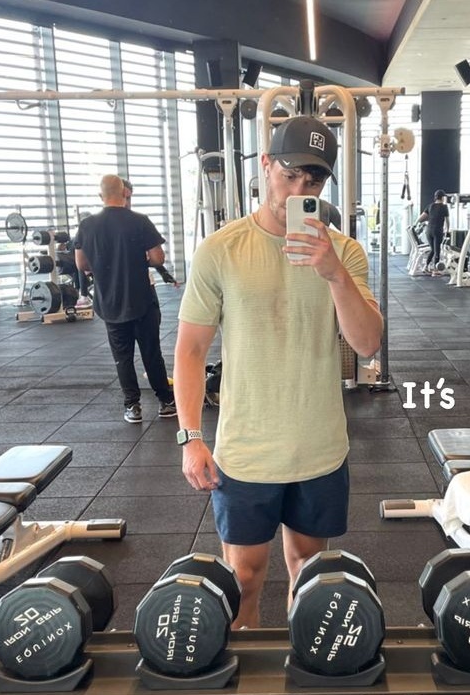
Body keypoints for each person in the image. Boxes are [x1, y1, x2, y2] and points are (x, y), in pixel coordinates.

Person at [173, 116, 383, 628]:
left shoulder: (345, 253)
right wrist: (190, 437)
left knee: (308, 577)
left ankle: (299, 664)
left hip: (319, 448)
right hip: (247, 452)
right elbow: (191, 350)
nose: (298, 191)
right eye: (289, 175)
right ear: (265, 165)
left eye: (312, 182)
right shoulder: (221, 250)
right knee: (243, 579)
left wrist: (333, 273)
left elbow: (367, 344)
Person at [74, 174, 176, 423]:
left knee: (122, 356)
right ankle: (165, 401)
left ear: (101, 196)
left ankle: (132, 406)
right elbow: (158, 258)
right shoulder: (139, 221)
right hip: (141, 299)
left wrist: (103, 266)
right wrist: (138, 260)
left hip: (109, 301)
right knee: (151, 352)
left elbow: (81, 264)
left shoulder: (87, 225)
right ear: (124, 193)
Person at [121, 178, 180, 288]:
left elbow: (154, 256)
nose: (125, 203)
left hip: (141, 282)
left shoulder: (139, 222)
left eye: (128, 198)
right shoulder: (98, 226)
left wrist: (163, 272)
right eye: (122, 197)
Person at [415, 189, 449, 275]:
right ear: (442, 198)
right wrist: (447, 230)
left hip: (429, 231)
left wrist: (428, 221)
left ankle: (425, 267)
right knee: (437, 251)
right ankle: (435, 270)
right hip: (437, 231)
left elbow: (420, 219)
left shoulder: (430, 206)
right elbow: (447, 221)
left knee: (433, 249)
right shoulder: (444, 207)